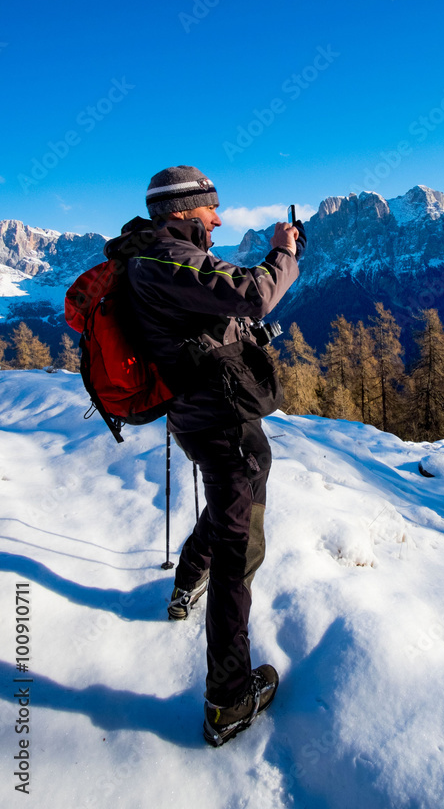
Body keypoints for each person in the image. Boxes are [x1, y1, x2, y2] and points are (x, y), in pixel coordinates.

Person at [104, 165, 303, 745]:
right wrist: (282, 253)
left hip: (206, 415)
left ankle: (188, 580)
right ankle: (228, 699)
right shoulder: (167, 259)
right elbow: (254, 292)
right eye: (210, 210)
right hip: (220, 420)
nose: (218, 219)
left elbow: (215, 309)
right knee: (239, 552)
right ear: (182, 211)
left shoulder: (158, 258)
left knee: (227, 506)